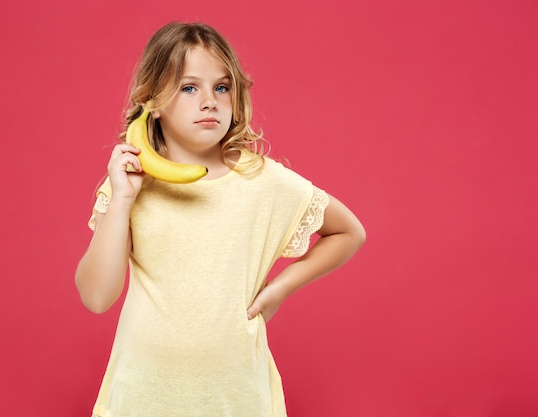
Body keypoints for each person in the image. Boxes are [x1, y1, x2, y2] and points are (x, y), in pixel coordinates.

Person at [75, 21, 366, 417]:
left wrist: (279, 289)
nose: (209, 100)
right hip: (143, 396)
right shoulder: (129, 183)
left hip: (238, 398)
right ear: (152, 102)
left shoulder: (262, 180)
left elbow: (349, 231)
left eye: (222, 87)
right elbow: (96, 296)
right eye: (189, 87)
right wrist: (123, 199)